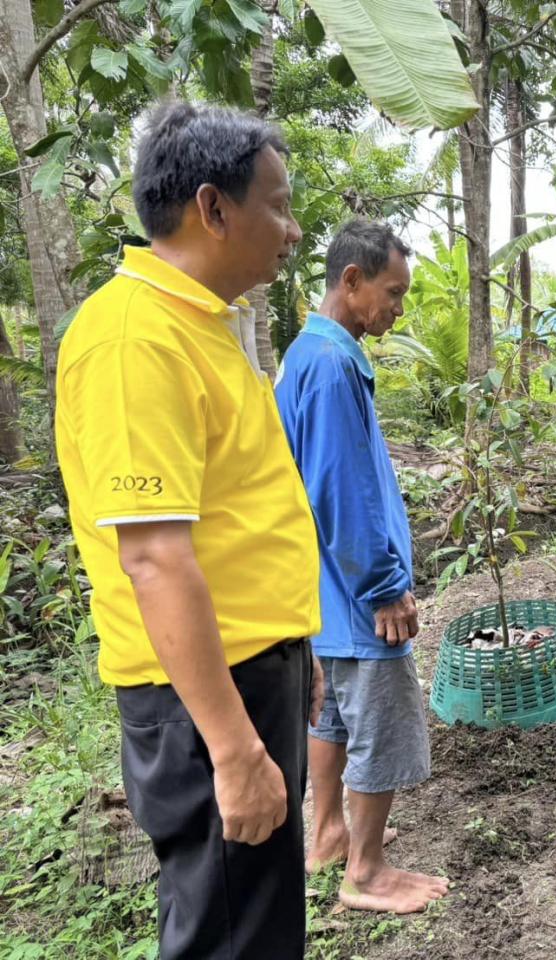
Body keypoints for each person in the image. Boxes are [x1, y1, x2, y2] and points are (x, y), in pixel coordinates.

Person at [55, 101, 323, 958]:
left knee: (261, 920)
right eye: (277, 205)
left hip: (249, 672)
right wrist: (233, 746)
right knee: (227, 934)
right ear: (213, 208)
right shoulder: (136, 339)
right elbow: (156, 559)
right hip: (205, 699)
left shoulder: (203, 325)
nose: (290, 230)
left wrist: (294, 652)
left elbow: (232, 517)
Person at [274, 219, 448, 914]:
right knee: (379, 716)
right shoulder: (335, 361)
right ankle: (368, 873)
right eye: (393, 292)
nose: (398, 308)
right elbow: (341, 487)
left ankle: (328, 837)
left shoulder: (305, 354)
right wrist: (385, 588)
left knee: (333, 719)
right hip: (354, 593)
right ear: (351, 282)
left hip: (320, 590)